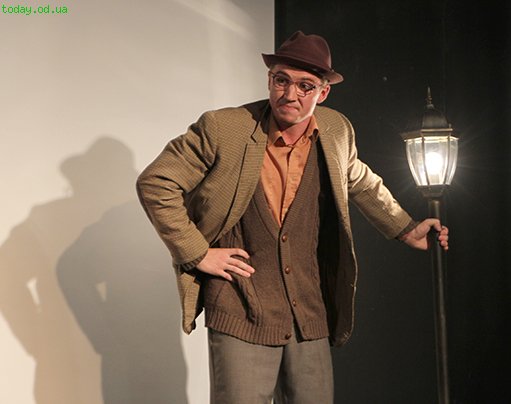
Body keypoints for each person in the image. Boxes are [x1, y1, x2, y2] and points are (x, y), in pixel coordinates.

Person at [137, 31, 449, 404]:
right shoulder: (225, 128)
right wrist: (197, 253)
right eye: (281, 80)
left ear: (323, 93)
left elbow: (360, 180)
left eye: (305, 86)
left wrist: (406, 228)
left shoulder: (335, 130)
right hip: (241, 306)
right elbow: (156, 182)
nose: (290, 94)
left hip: (308, 310)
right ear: (270, 80)